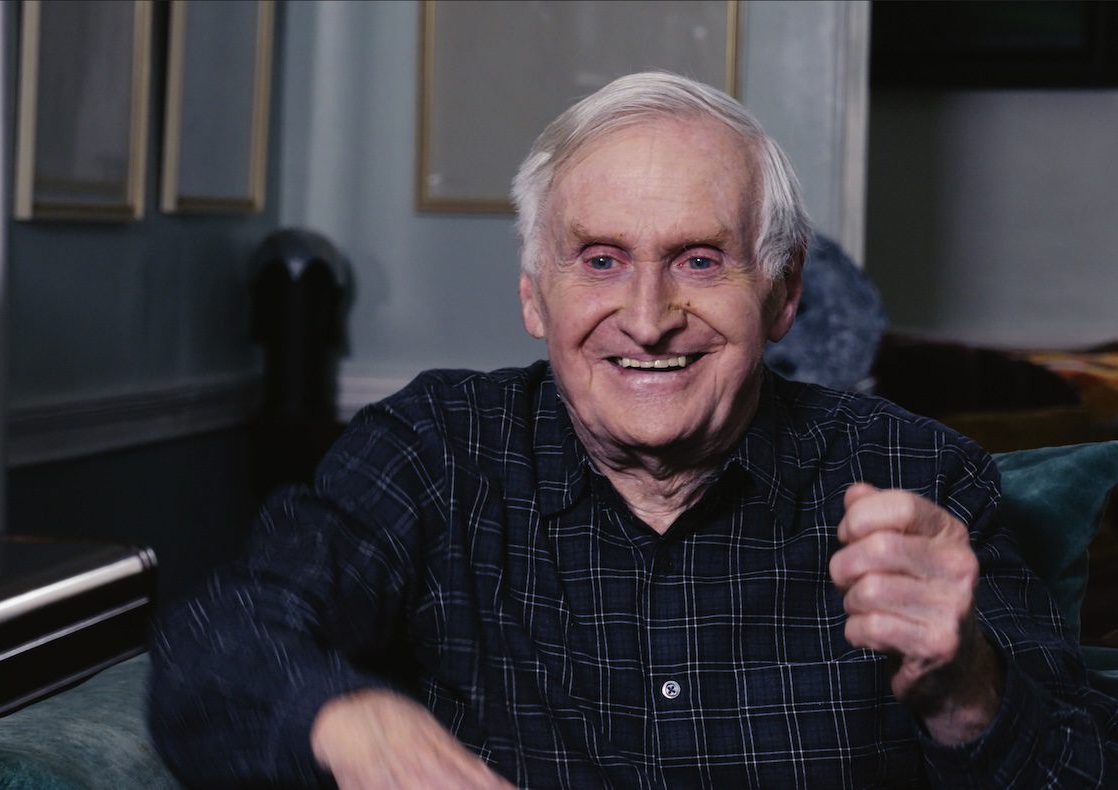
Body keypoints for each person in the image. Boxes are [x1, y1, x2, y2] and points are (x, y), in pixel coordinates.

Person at [149, 72, 1118, 787]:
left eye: (699, 260)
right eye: (601, 260)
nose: (648, 320)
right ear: (535, 295)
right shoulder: (433, 449)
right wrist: (346, 718)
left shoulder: (918, 473)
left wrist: (966, 691)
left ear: (782, 294)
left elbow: (1084, 767)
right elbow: (220, 638)